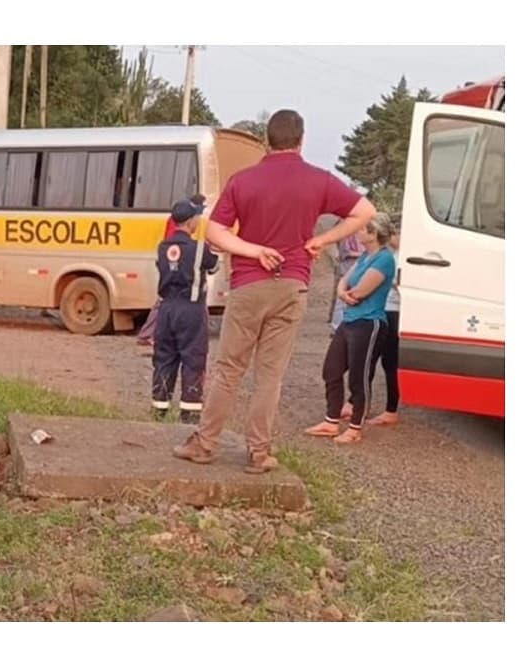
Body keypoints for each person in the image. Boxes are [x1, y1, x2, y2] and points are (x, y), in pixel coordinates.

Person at [171, 109, 376, 473]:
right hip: (292, 286)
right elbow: (365, 211)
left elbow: (215, 231)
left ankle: (204, 444)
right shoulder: (319, 180)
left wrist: (254, 251)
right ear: (302, 140)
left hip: (248, 285)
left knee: (229, 369)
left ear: (267, 139)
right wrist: (322, 240)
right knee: (269, 375)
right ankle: (259, 452)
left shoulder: (243, 180)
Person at [304, 213, 397, 443]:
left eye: (362, 229)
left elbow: (361, 291)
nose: (357, 232)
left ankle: (355, 427)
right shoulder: (365, 255)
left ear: (374, 233)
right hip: (350, 320)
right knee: (331, 369)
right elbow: (344, 280)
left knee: (359, 376)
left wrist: (346, 294)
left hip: (369, 322)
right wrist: (343, 292)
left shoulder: (384, 259)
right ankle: (331, 420)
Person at [151, 198, 220, 424]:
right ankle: (189, 414)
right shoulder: (199, 248)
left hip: (166, 309)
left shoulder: (162, 246)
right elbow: (214, 266)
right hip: (190, 310)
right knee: (193, 359)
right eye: (197, 217)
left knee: (164, 358)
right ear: (191, 221)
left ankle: (159, 410)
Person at [137, 194, 208, 346]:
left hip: (174, 257)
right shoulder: (183, 221)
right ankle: (147, 333)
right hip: (176, 258)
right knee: (166, 300)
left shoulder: (179, 217)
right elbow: (175, 243)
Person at [366, 214, 402, 426]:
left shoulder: (401, 258)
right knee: (369, 359)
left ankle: (391, 409)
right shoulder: (388, 255)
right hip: (382, 308)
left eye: (396, 232)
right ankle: (357, 403)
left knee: (389, 362)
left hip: (393, 311)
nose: (392, 237)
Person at [329, 223, 363, 333]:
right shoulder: (346, 237)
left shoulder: (358, 236)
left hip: (355, 270)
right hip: (346, 269)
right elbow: (346, 253)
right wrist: (363, 254)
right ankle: (336, 325)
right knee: (341, 300)